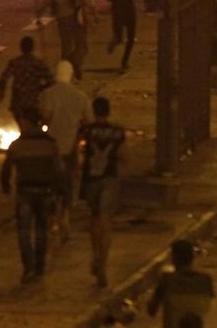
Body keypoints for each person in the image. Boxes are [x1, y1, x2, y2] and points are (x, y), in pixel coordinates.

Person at [0, 107, 62, 284]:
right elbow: (58, 170)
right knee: (42, 230)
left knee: (24, 232)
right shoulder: (50, 144)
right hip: (45, 192)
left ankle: (28, 268)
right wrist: (58, 192)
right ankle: (40, 267)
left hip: (25, 193)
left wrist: (5, 187)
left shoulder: (18, 145)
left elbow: (6, 170)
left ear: (27, 122)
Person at [39, 60, 92, 241]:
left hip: (52, 148)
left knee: (51, 184)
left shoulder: (48, 94)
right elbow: (88, 121)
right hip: (71, 147)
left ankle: (52, 218)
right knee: (68, 182)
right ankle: (65, 215)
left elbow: (45, 117)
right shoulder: (81, 97)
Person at [79, 96, 127, 289]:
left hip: (91, 180)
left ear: (94, 110)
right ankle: (103, 264)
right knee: (107, 222)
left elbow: (79, 154)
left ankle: (95, 255)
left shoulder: (87, 131)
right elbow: (125, 156)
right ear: (109, 111)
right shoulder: (117, 132)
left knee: (94, 218)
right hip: (110, 178)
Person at [40, 0, 96, 80]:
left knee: (66, 46)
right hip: (77, 17)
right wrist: (94, 14)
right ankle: (75, 64)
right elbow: (87, 0)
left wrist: (40, 11)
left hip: (63, 17)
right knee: (81, 45)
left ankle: (64, 72)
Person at [147, 239, 215, 328]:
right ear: (192, 258)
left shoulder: (167, 279)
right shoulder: (206, 280)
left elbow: (151, 311)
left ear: (174, 258)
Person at [102, 0, 150, 72]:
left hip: (118, 7)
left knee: (120, 36)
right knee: (130, 37)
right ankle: (124, 62)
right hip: (128, 7)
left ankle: (117, 43)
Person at [0, 36, 53, 123]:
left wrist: (1, 91)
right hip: (33, 102)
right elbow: (51, 81)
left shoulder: (15, 63)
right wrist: (39, 88)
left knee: (22, 126)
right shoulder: (38, 64)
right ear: (32, 48)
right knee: (33, 125)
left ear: (21, 48)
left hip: (18, 103)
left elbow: (4, 78)